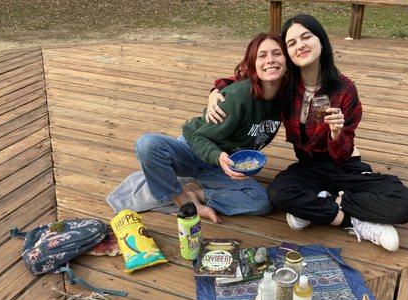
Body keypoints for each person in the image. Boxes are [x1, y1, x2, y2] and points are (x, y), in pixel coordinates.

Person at [206, 15, 408, 251]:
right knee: (278, 193)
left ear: (321, 41)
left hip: (345, 165)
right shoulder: (286, 83)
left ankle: (321, 202)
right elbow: (247, 78)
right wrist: (216, 90)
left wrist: (337, 134)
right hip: (308, 166)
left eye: (306, 37)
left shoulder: (344, 89)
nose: (300, 45)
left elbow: (343, 153)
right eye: (291, 43)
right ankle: (353, 221)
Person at [113, 33, 287, 224]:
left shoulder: (285, 98)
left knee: (263, 201)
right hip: (193, 150)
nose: (270, 60)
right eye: (262, 56)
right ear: (252, 64)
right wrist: (217, 156)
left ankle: (195, 192)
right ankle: (181, 201)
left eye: (277, 53)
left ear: (287, 60)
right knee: (147, 145)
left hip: (223, 165)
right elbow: (199, 137)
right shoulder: (238, 98)